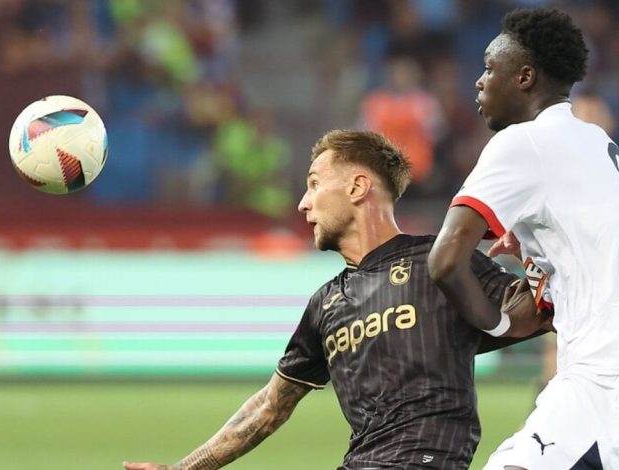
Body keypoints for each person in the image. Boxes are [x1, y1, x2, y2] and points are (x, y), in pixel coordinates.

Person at [123, 130, 549, 470]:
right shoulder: (326, 304)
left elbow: (538, 311)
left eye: (314, 184)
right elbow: (269, 407)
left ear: (358, 187)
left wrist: (533, 254)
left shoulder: (439, 261)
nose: (303, 204)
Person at [428, 8, 619, 470]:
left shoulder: (523, 142)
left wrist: (496, 326)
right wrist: (534, 247)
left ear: (524, 77)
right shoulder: (596, 141)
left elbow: (444, 261)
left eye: (489, 68)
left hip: (606, 376)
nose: (479, 82)